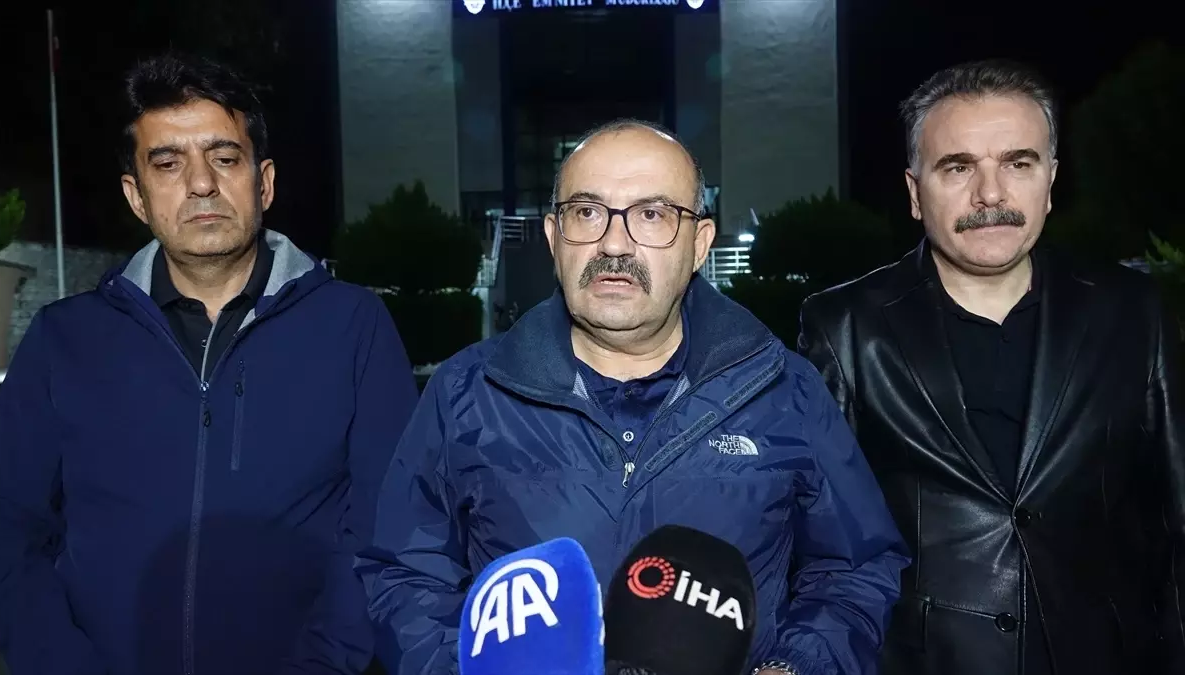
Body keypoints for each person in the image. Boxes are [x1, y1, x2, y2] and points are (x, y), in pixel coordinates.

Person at [358, 119, 909, 675]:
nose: (614, 244)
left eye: (651, 215)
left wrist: (795, 667)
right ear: (554, 237)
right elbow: (404, 574)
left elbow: (855, 567)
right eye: (586, 212)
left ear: (699, 244)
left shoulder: (785, 390)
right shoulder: (466, 391)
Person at [0, 53, 418, 675]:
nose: (200, 184)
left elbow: (385, 527)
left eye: (224, 157)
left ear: (263, 182)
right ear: (137, 196)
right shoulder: (64, 340)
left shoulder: (353, 325)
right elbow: (7, 527)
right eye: (167, 163)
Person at [798, 59, 1185, 675]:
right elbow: (822, 539)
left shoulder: (1132, 310)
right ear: (915, 193)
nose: (991, 194)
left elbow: (1174, 510)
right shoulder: (843, 326)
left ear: (1050, 180)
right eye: (958, 167)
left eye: (1017, 163)